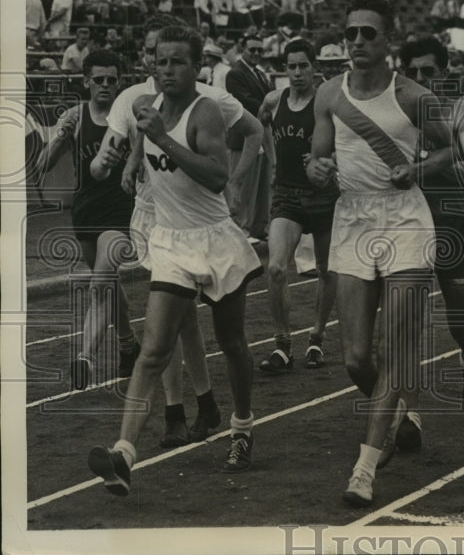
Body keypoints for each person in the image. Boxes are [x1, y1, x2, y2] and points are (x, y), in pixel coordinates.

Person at [88, 25, 262, 496]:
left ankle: (243, 424)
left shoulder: (206, 111)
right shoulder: (147, 110)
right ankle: (124, 451)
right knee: (153, 349)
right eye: (160, 62)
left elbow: (215, 176)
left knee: (231, 342)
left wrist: (163, 140)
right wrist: (128, 163)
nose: (166, 70)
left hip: (215, 239)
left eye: (177, 62)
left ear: (196, 67)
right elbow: (142, 152)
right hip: (170, 242)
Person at [306, 0, 453, 508]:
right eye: (351, 33)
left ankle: (365, 467)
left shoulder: (412, 95)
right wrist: (316, 169)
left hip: (405, 219)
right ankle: (398, 410)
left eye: (370, 33)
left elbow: (450, 148)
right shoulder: (329, 94)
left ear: (389, 39)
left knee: (392, 348)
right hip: (352, 218)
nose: (359, 42)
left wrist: (416, 168)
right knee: (355, 358)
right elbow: (316, 161)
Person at [395, 37, 464, 448]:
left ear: (445, 73)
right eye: (412, 72)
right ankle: (409, 414)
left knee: (461, 322)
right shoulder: (396, 114)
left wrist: (427, 166)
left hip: (454, 224)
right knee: (407, 323)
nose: (420, 79)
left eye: (428, 71)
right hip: (406, 225)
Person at [37, 50, 140, 389]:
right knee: (108, 282)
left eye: (112, 80)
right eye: (99, 80)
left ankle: (86, 357)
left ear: (120, 82)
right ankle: (128, 345)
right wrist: (61, 137)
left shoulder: (128, 119)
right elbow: (43, 165)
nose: (106, 86)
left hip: (119, 213)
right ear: (86, 82)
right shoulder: (75, 116)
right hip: (86, 213)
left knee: (100, 284)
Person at [256, 40, 339, 372]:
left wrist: (329, 162)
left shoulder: (326, 103)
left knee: (326, 270)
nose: (297, 73)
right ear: (284, 68)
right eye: (291, 66)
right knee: (276, 268)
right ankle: (282, 345)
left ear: (314, 67)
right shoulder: (274, 101)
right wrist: (273, 160)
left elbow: (346, 141)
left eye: (303, 66)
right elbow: (259, 123)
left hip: (323, 197)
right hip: (287, 196)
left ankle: (316, 338)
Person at [225, 33, 272, 241]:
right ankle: (241, 228)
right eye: (252, 49)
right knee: (243, 183)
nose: (256, 54)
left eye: (259, 50)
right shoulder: (235, 73)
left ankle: (258, 227)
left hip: (262, 133)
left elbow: (266, 99)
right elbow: (245, 101)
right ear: (242, 48)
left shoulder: (261, 74)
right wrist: (268, 109)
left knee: (261, 183)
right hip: (243, 135)